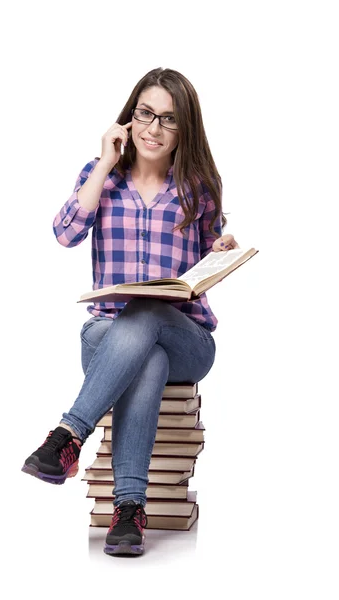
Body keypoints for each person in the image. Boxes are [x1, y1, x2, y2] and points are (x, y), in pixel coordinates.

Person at [22, 67, 238, 556]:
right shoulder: (101, 178)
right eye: (145, 114)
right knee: (147, 358)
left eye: (168, 119)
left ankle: (67, 435)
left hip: (188, 340)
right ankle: (128, 510)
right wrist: (103, 163)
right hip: (109, 336)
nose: (153, 129)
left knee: (148, 317)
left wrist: (223, 245)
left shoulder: (198, 186)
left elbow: (209, 258)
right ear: (129, 117)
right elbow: (65, 233)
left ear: (185, 128)